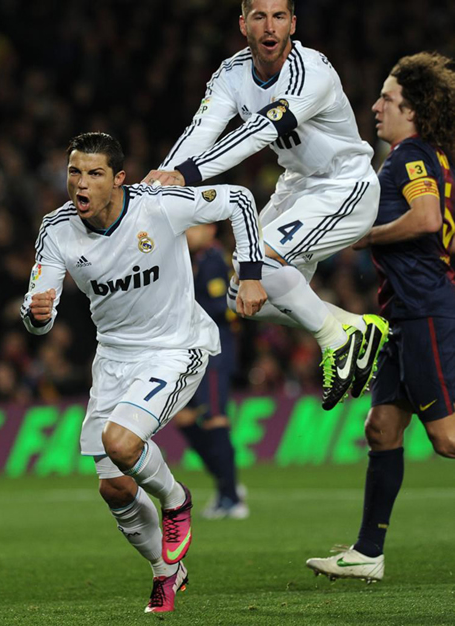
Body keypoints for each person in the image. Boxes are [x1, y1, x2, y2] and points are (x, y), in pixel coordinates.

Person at [21, 132, 266, 613]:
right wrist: (37, 312)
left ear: (119, 179)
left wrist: (251, 273)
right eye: (74, 172)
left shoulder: (158, 206)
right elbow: (38, 315)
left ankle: (176, 500)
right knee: (113, 485)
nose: (81, 184)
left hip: (176, 347)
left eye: (94, 174)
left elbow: (239, 198)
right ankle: (166, 572)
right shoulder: (57, 230)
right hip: (114, 359)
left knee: (122, 442)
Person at [143, 0, 389, 410]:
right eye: (259, 16)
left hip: (345, 186)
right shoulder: (231, 74)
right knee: (242, 290)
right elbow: (200, 131)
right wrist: (162, 182)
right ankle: (353, 327)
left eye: (279, 16)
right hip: (298, 186)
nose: (269, 26)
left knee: (264, 265)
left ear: (293, 23)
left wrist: (187, 175)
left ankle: (334, 341)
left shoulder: (311, 72)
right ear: (244, 25)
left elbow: (259, 131)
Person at [306, 52, 455, 582]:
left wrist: (364, 236)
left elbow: (426, 217)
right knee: (382, 427)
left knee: (447, 439)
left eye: (388, 99)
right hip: (402, 313)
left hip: (424, 312)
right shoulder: (420, 155)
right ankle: (369, 553)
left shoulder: (412, 155)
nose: (375, 107)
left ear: (412, 110)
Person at [174, 223, 248, 520]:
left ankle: (231, 497)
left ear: (208, 229)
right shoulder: (195, 259)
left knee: (216, 418)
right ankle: (225, 481)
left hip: (213, 351)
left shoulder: (215, 260)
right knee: (184, 418)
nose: (187, 234)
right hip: (192, 351)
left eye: (191, 229)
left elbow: (224, 306)